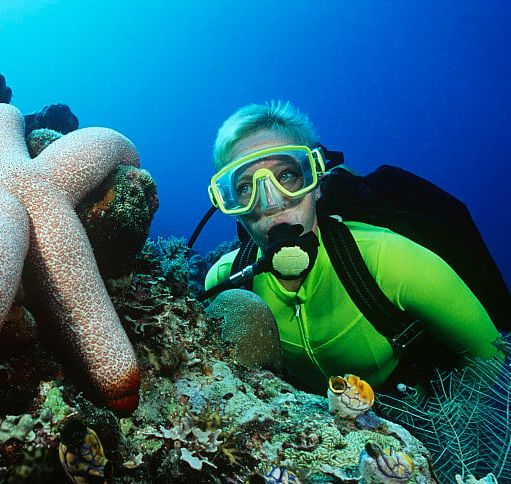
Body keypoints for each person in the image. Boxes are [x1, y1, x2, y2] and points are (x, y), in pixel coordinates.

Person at [204, 101, 508, 393]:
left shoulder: (390, 259)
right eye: (245, 187)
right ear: (229, 202)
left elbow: (491, 358)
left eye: (287, 175)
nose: (272, 201)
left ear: (318, 182)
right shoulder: (227, 282)